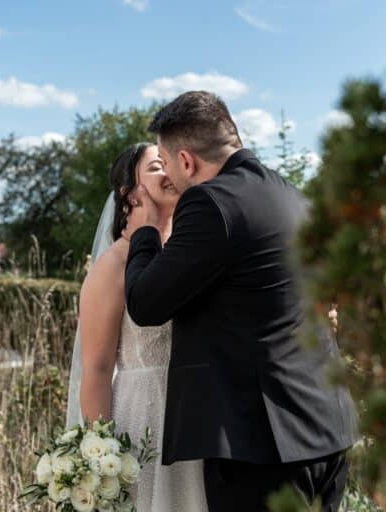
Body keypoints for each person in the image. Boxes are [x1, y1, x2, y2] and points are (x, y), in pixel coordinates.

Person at [122, 91, 358, 511]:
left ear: (187, 162)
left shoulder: (211, 202)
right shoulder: (293, 196)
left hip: (263, 450)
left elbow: (145, 304)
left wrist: (148, 229)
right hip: (327, 430)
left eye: (167, 162)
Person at [66, 142, 208, 511]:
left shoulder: (190, 254)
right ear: (129, 192)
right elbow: (96, 370)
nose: (171, 172)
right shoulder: (112, 267)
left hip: (197, 419)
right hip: (144, 421)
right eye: (158, 166)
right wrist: (100, 461)